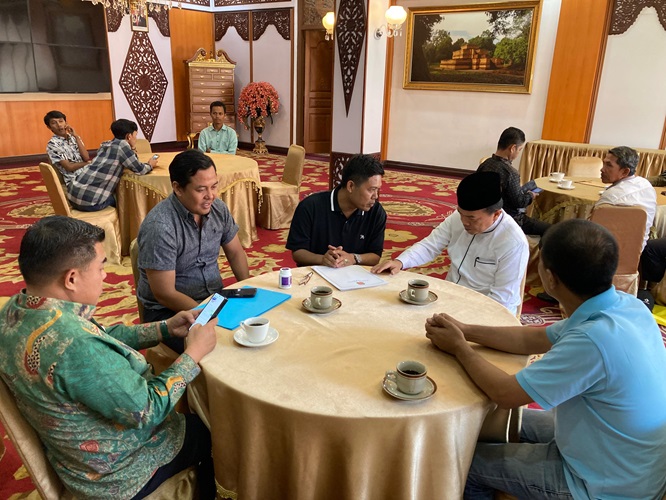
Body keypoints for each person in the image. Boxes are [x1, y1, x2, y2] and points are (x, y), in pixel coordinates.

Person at [424, 219, 666, 499]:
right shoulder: (626, 306)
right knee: (489, 422)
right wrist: (465, 331)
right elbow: (532, 339)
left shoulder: (592, 340)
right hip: (625, 453)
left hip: (604, 484)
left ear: (550, 278)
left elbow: (506, 393)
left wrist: (460, 349)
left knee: (464, 463)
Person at [0, 216, 217, 499]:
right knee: (222, 430)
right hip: (120, 472)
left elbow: (100, 333)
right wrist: (193, 353)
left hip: (75, 457)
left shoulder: (16, 311)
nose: (106, 276)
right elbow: (148, 409)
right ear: (72, 278)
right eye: (101, 266)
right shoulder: (77, 347)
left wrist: (164, 328)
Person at [137, 149, 250, 350]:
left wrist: (247, 290)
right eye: (201, 190)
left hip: (213, 299)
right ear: (178, 188)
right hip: (169, 312)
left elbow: (235, 252)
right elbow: (165, 293)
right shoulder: (160, 226)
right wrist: (209, 314)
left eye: (214, 186)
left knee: (260, 326)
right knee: (225, 347)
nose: (211, 196)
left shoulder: (218, 209)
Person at [372, 171, 528, 316]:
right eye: (461, 214)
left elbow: (502, 300)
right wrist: (400, 262)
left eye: (471, 218)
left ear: (496, 214)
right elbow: (430, 246)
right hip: (450, 297)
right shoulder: (458, 218)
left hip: (484, 309)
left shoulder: (513, 243)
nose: (464, 222)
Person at [286, 154, 387, 268]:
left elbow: (375, 256)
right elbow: (298, 252)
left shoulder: (376, 212)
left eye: (378, 190)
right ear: (351, 186)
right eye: (371, 190)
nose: (375, 196)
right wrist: (323, 259)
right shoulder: (310, 206)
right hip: (314, 275)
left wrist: (354, 258)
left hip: (355, 278)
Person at [65, 119, 157, 212]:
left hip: (72, 196)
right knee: (126, 198)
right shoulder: (122, 146)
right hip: (89, 203)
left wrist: (132, 148)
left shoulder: (106, 144)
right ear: (129, 136)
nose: (136, 138)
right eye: (135, 135)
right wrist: (150, 165)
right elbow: (140, 169)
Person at [477, 127, 550, 236]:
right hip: (508, 219)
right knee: (551, 229)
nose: (518, 153)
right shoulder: (510, 172)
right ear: (513, 148)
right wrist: (530, 195)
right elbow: (519, 202)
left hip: (484, 215)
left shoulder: (485, 164)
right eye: (520, 149)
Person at [596, 145, 656, 249]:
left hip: (604, 255)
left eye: (609, 165)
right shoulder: (646, 185)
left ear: (625, 172)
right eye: (604, 163)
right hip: (636, 252)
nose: (602, 169)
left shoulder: (611, 196)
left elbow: (592, 230)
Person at [44, 110, 91, 179]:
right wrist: (87, 164)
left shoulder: (74, 138)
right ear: (49, 127)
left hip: (87, 173)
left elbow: (86, 157)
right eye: (54, 123)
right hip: (74, 179)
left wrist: (76, 137)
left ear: (66, 123)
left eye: (61, 121)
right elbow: (69, 167)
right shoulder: (53, 144)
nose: (59, 125)